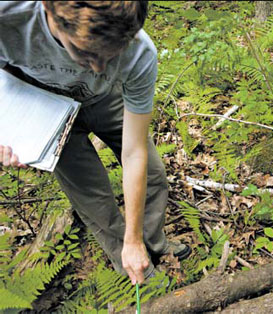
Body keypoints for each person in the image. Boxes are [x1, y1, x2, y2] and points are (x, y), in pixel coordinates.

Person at [0, 1, 190, 285]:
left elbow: (134, 152)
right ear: (49, 12)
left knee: (151, 172)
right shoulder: (10, 15)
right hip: (42, 107)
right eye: (85, 52)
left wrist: (135, 238)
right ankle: (131, 266)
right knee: (91, 195)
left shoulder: (139, 51)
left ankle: (149, 245)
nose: (100, 67)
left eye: (112, 55)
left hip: (105, 99)